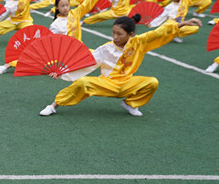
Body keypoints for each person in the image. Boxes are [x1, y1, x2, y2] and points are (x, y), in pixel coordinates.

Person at [38, 15, 201, 117]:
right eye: (113, 32)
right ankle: (54, 106)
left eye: (119, 34)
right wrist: (61, 72)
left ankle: (130, 104)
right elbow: (85, 62)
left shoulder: (139, 42)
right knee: (82, 83)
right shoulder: (105, 48)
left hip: (127, 83)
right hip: (107, 84)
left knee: (152, 82)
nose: (115, 36)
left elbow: (160, 32)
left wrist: (185, 22)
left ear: (131, 35)